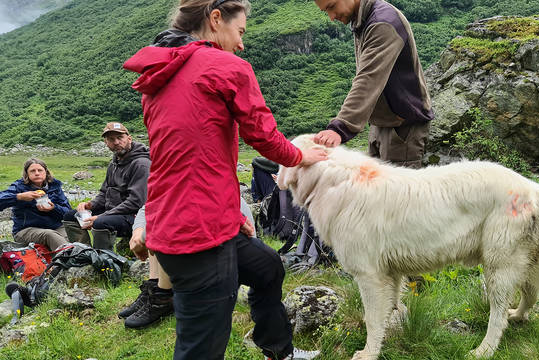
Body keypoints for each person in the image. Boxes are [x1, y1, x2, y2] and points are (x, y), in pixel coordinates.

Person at [122, 1, 327, 359]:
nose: (242, 43)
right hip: (199, 234)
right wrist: (301, 156)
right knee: (202, 345)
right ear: (215, 19)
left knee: (267, 268)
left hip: (186, 221)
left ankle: (279, 351)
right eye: (241, 31)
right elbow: (263, 136)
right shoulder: (226, 67)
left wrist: (233, 215)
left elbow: (191, 159)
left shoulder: (158, 78)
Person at [312, 0, 434, 168]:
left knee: (397, 193)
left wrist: (339, 128)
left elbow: (368, 79)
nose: (331, 17)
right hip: (382, 122)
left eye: (332, 6)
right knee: (376, 190)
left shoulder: (383, 23)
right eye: (325, 11)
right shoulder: (362, 18)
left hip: (403, 128)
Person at [122, 196, 255, 329]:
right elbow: (150, 205)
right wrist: (138, 232)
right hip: (206, 253)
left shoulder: (200, 188)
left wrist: (146, 238)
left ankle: (163, 297)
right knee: (158, 223)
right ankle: (154, 288)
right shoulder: (175, 184)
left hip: (227, 261)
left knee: (163, 230)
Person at [63, 122, 150, 251]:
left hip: (135, 217)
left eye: (120, 138)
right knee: (72, 216)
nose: (116, 142)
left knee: (100, 223)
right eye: (111, 139)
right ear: (106, 143)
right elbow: (104, 193)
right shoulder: (113, 164)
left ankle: (105, 262)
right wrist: (90, 205)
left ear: (129, 138)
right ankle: (84, 254)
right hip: (114, 212)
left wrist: (102, 216)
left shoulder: (141, 164)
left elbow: (136, 202)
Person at [0, 158, 71, 251]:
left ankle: (86, 259)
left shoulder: (54, 187)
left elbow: (67, 212)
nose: (37, 173)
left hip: (55, 226)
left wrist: (53, 208)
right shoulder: (19, 187)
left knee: (70, 235)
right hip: (26, 230)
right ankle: (71, 261)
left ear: (46, 172)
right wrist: (19, 196)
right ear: (27, 174)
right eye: (32, 171)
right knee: (50, 235)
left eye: (40, 170)